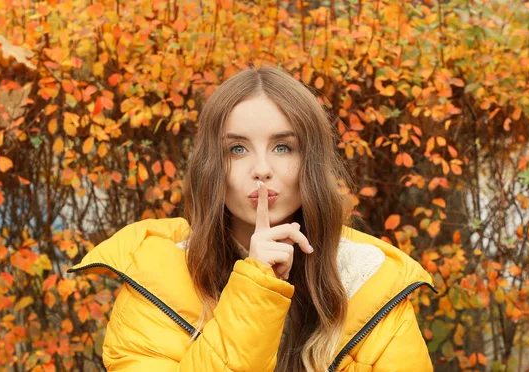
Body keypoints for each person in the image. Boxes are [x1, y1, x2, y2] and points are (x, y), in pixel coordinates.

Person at [68, 66, 438, 371]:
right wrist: (256, 288)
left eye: (283, 147)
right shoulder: (153, 278)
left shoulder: (370, 278)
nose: (262, 169)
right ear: (211, 166)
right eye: (237, 149)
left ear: (311, 161)